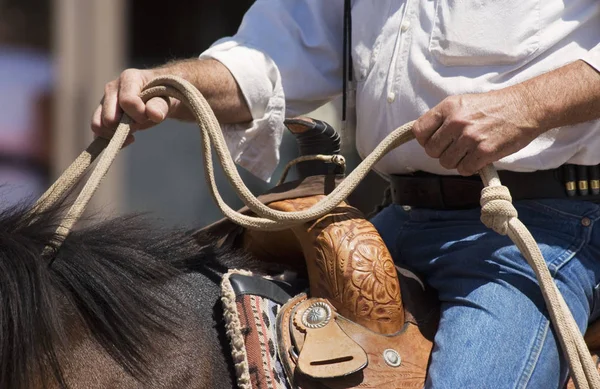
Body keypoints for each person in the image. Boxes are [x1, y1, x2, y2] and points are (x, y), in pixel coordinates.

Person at [93, 1, 600, 387]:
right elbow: (275, 54)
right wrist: (171, 81)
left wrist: (527, 106)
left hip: (537, 225)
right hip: (398, 214)